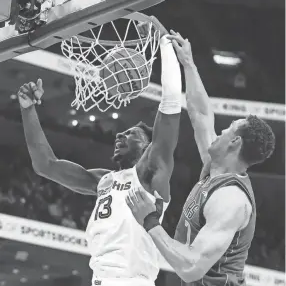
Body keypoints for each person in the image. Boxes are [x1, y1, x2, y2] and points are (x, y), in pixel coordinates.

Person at [18, 33, 182, 286]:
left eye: (131, 134)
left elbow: (171, 105)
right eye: (123, 131)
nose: (120, 134)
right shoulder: (102, 179)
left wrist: (165, 45)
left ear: (148, 147)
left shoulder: (151, 174)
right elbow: (45, 165)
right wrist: (28, 109)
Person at [126, 31, 276, 286]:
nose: (220, 131)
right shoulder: (216, 168)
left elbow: (192, 268)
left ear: (235, 142)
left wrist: (150, 221)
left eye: (228, 129)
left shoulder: (231, 200)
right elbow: (201, 114)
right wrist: (189, 64)